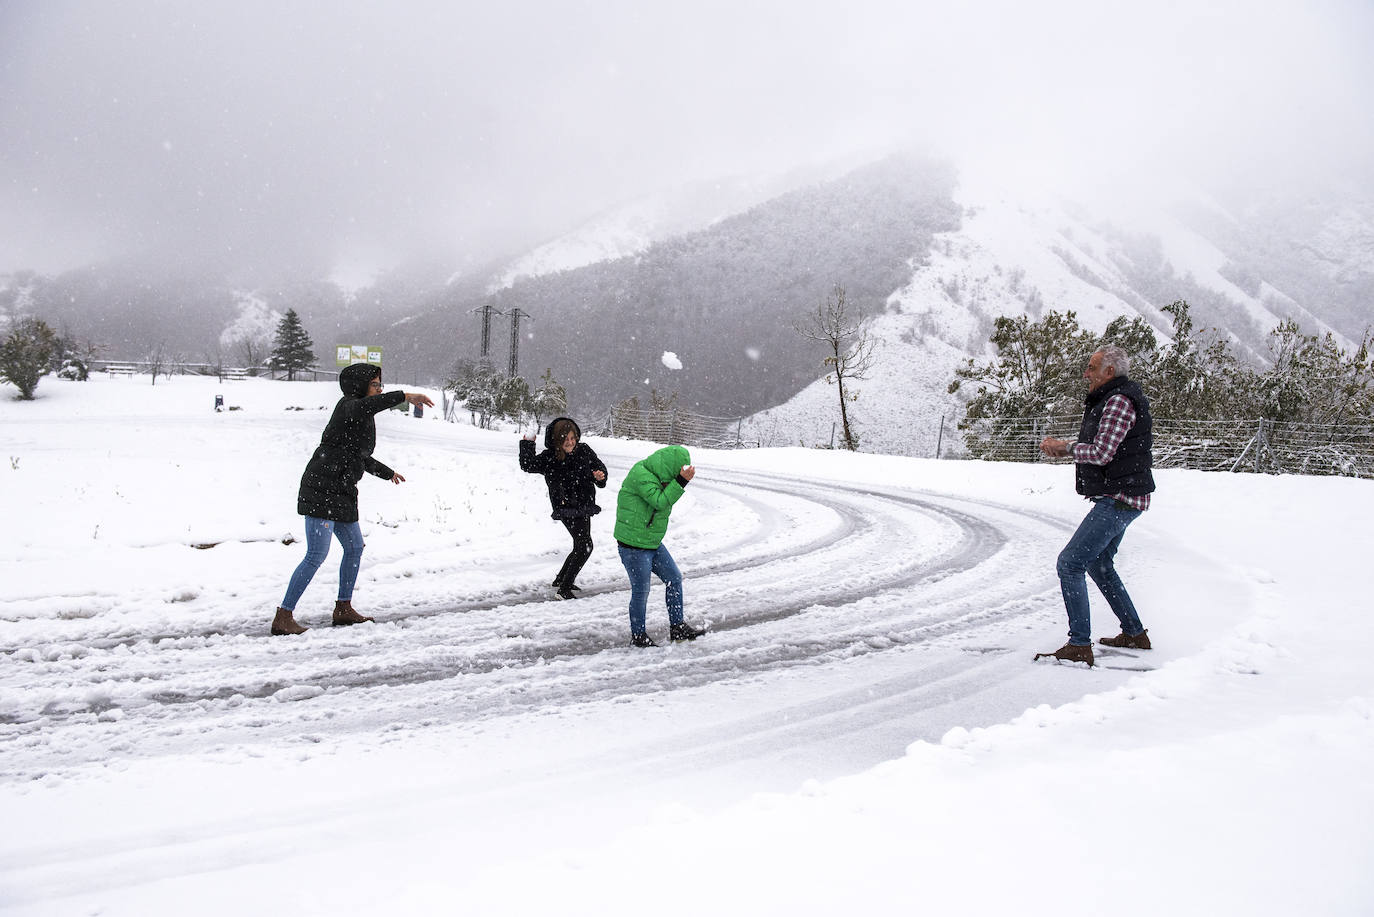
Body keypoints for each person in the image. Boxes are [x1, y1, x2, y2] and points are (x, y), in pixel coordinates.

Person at [271, 363, 434, 635]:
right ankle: (284, 615)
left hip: (343, 491)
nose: (379, 389)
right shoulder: (348, 406)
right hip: (321, 488)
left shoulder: (362, 415)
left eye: (381, 384)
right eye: (375, 384)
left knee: (355, 547)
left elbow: (357, 455)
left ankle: (343, 608)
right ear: (359, 386)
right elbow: (364, 408)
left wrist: (387, 472)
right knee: (316, 554)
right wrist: (404, 396)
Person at [1034, 345, 1155, 667]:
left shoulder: (1118, 401)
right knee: (1099, 565)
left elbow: (1102, 452)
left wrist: (1065, 448)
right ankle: (1133, 633)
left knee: (1070, 563)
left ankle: (1079, 644)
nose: (1086, 374)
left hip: (1121, 497)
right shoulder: (1114, 398)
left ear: (1109, 373)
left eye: (1091, 367)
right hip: (1125, 494)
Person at [613, 445, 707, 647]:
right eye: (673, 477)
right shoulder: (642, 474)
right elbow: (659, 502)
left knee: (674, 578)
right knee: (641, 590)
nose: (672, 482)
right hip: (633, 545)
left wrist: (677, 481)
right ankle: (638, 637)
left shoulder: (659, 476)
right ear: (668, 469)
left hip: (651, 541)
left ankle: (677, 627)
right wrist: (680, 482)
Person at [519, 417, 608, 599]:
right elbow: (527, 465)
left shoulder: (584, 451)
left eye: (573, 438)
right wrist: (527, 444)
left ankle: (561, 580)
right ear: (556, 440)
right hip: (566, 507)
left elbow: (600, 469)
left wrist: (600, 476)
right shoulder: (550, 457)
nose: (570, 442)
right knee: (585, 546)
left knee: (581, 545)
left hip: (584, 505)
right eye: (565, 439)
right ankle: (564, 589)